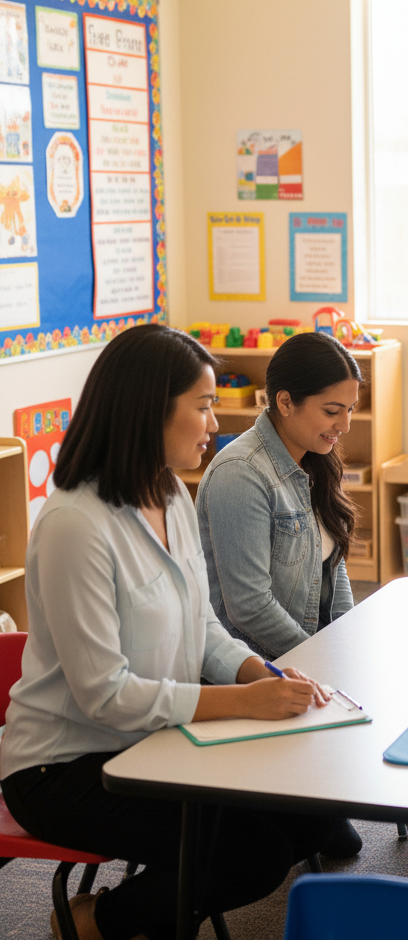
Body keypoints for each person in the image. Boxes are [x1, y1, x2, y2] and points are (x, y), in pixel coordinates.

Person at [0, 325, 334, 940]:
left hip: (153, 739)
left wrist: (259, 673)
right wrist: (241, 703)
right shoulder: (75, 523)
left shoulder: (171, 493)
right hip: (65, 767)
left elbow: (201, 626)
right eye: (204, 406)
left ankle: (131, 909)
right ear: (152, 409)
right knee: (250, 853)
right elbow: (106, 693)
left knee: (303, 820)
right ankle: (95, 921)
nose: (214, 423)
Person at [197, 329, 363, 858]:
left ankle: (312, 792)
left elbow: (330, 564)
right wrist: (315, 665)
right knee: (298, 844)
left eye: (351, 410)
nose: (344, 426)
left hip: (302, 654)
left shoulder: (310, 457)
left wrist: (347, 645)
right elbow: (247, 606)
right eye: (332, 411)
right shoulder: (240, 474)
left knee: (332, 836)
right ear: (284, 402)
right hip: (256, 664)